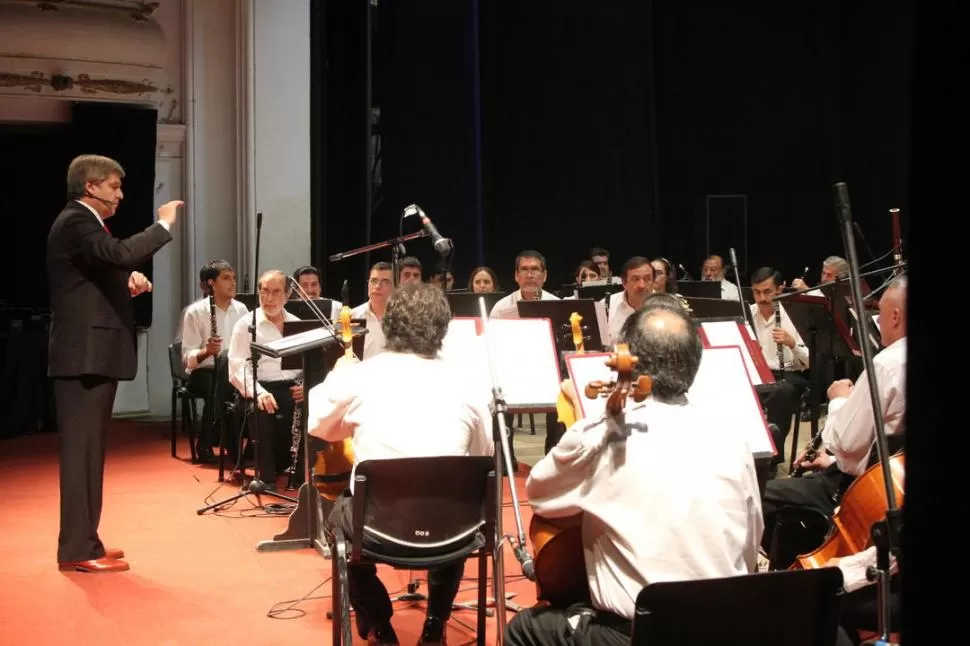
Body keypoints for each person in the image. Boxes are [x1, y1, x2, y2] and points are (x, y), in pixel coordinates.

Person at [506, 299, 763, 645]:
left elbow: (540, 495)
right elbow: (750, 541)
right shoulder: (732, 436)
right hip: (721, 630)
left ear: (629, 360)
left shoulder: (605, 434)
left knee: (525, 629)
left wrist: (588, 423)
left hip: (635, 635)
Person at [308, 283, 492, 646]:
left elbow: (320, 426)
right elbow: (482, 453)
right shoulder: (469, 381)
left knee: (339, 522)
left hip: (376, 530)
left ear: (388, 326)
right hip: (450, 532)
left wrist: (338, 373)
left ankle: (378, 624)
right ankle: (435, 623)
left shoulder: (359, 376)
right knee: (454, 502)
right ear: (443, 330)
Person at [48, 154, 182, 572]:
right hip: (83, 356)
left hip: (90, 354)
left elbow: (98, 270)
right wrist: (162, 226)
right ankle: (77, 549)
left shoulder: (84, 224)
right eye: (113, 187)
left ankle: (87, 540)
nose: (120, 195)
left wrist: (125, 283)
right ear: (90, 187)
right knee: (81, 455)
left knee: (89, 454)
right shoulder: (76, 221)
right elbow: (120, 253)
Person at [226, 270, 303, 487]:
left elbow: (307, 363)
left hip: (289, 386)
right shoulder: (245, 324)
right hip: (256, 387)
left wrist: (305, 387)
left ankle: (301, 476)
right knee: (261, 410)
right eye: (265, 291)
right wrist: (259, 392)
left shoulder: (296, 324)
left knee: (315, 406)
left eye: (276, 292)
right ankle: (266, 477)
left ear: (288, 296)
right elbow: (236, 367)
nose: (269, 298)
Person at [180, 260, 249, 462]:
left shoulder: (242, 310)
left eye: (233, 277)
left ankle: (245, 444)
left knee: (235, 386)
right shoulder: (195, 312)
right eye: (226, 278)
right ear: (211, 283)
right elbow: (188, 359)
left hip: (232, 370)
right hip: (204, 372)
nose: (233, 283)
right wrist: (207, 351)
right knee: (217, 387)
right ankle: (223, 447)